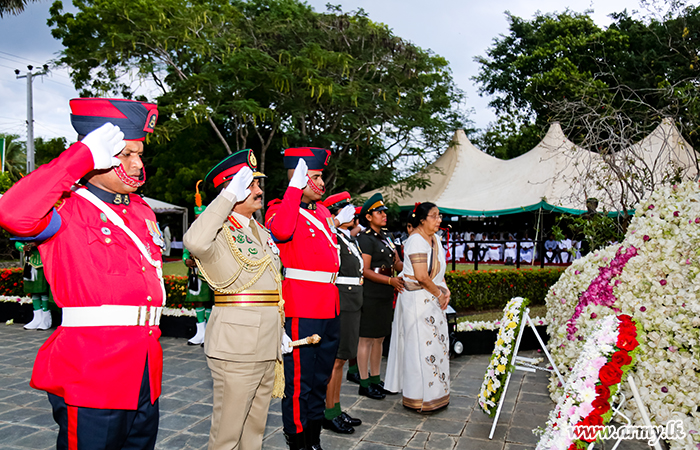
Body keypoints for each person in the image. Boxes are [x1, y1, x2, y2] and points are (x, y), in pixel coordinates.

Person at [0, 97, 164, 449]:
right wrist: (79, 158)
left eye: (139, 154)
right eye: (125, 155)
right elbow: (12, 213)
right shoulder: (66, 207)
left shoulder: (140, 211)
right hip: (94, 373)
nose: (137, 165)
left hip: (144, 372)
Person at [184, 149, 287, 450]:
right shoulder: (217, 231)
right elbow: (193, 242)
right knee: (228, 432)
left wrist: (278, 329)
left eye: (258, 184)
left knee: (254, 428)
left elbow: (272, 286)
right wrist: (227, 197)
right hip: (236, 346)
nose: (259, 190)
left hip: (266, 340)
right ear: (232, 188)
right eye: (251, 184)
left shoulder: (260, 230)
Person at [265, 147, 340, 450]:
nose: (323, 183)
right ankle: (297, 443)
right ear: (299, 178)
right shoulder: (280, 208)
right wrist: (293, 188)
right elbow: (281, 232)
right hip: (302, 307)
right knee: (299, 384)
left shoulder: (320, 211)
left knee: (320, 380)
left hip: (329, 304)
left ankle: (313, 440)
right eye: (316, 177)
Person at [385, 202, 450, 412]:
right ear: (422, 220)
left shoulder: (436, 240)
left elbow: (439, 273)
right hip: (417, 301)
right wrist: (439, 293)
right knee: (419, 348)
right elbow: (421, 276)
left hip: (433, 300)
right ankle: (419, 398)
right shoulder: (415, 241)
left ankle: (437, 394)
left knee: (437, 347)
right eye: (434, 216)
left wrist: (445, 291)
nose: (439, 220)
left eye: (439, 216)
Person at [321, 192, 363, 434]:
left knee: (343, 358)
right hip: (342, 300)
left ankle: (335, 407)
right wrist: (333, 222)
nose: (353, 214)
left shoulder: (347, 238)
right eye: (346, 210)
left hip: (352, 300)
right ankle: (329, 411)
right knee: (336, 360)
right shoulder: (332, 235)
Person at [356, 193, 404, 400]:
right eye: (379, 212)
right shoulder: (365, 239)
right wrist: (390, 281)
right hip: (372, 291)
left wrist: (414, 266)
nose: (384, 215)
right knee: (366, 338)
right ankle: (364, 382)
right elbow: (364, 270)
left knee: (379, 338)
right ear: (368, 216)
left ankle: (376, 379)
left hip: (385, 291)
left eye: (384, 212)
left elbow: (397, 263)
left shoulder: (387, 237)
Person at [183, 181, 214, 346]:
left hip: (208, 272)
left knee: (209, 301)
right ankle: (200, 331)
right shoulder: (190, 231)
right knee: (198, 301)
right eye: (196, 217)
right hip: (194, 273)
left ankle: (208, 332)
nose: (198, 220)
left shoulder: (213, 232)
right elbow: (185, 250)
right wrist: (186, 260)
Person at [15, 241, 52, 330]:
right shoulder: (25, 227)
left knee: (43, 290)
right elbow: (17, 240)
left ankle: (46, 317)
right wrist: (22, 247)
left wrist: (38, 243)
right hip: (29, 262)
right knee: (33, 291)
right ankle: (37, 318)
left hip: (43, 260)